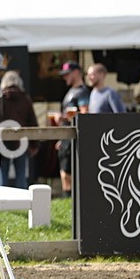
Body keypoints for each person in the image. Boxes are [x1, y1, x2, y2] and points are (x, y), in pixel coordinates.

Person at [0, 70, 38, 188]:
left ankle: (2, 204)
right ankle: (23, 204)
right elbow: (33, 123)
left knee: (2, 178)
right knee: (21, 178)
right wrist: (34, 145)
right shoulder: (25, 98)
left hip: (2, 143)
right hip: (21, 143)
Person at [56, 61, 90, 198]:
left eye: (67, 74)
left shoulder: (82, 91)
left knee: (68, 173)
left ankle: (69, 201)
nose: (65, 77)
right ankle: (68, 200)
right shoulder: (71, 91)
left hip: (73, 138)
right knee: (64, 172)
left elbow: (85, 113)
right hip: (66, 138)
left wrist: (64, 117)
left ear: (76, 72)